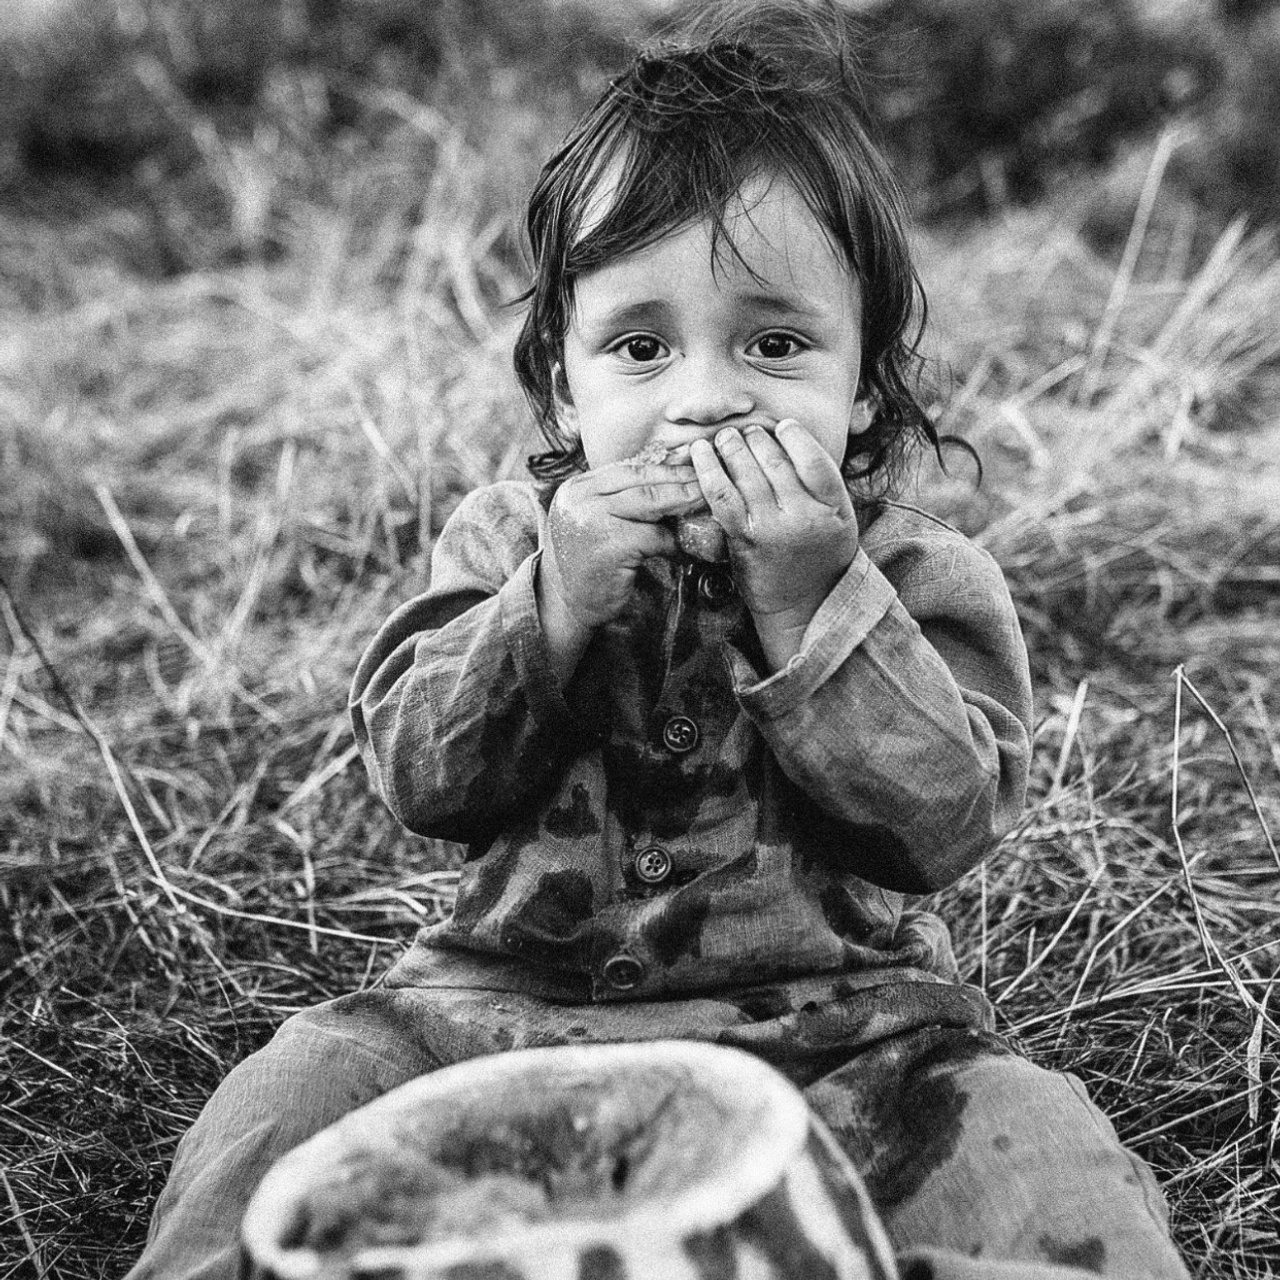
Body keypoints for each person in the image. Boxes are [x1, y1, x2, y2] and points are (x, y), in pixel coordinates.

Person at [127, 2, 1191, 1277]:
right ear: (564, 385)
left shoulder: (915, 572)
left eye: (774, 342)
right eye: (640, 346)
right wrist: (551, 608)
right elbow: (420, 776)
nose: (701, 398)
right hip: (490, 1012)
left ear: (859, 381)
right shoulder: (501, 543)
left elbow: (944, 823)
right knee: (287, 1103)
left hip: (848, 1036)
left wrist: (815, 603)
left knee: (1028, 1143)